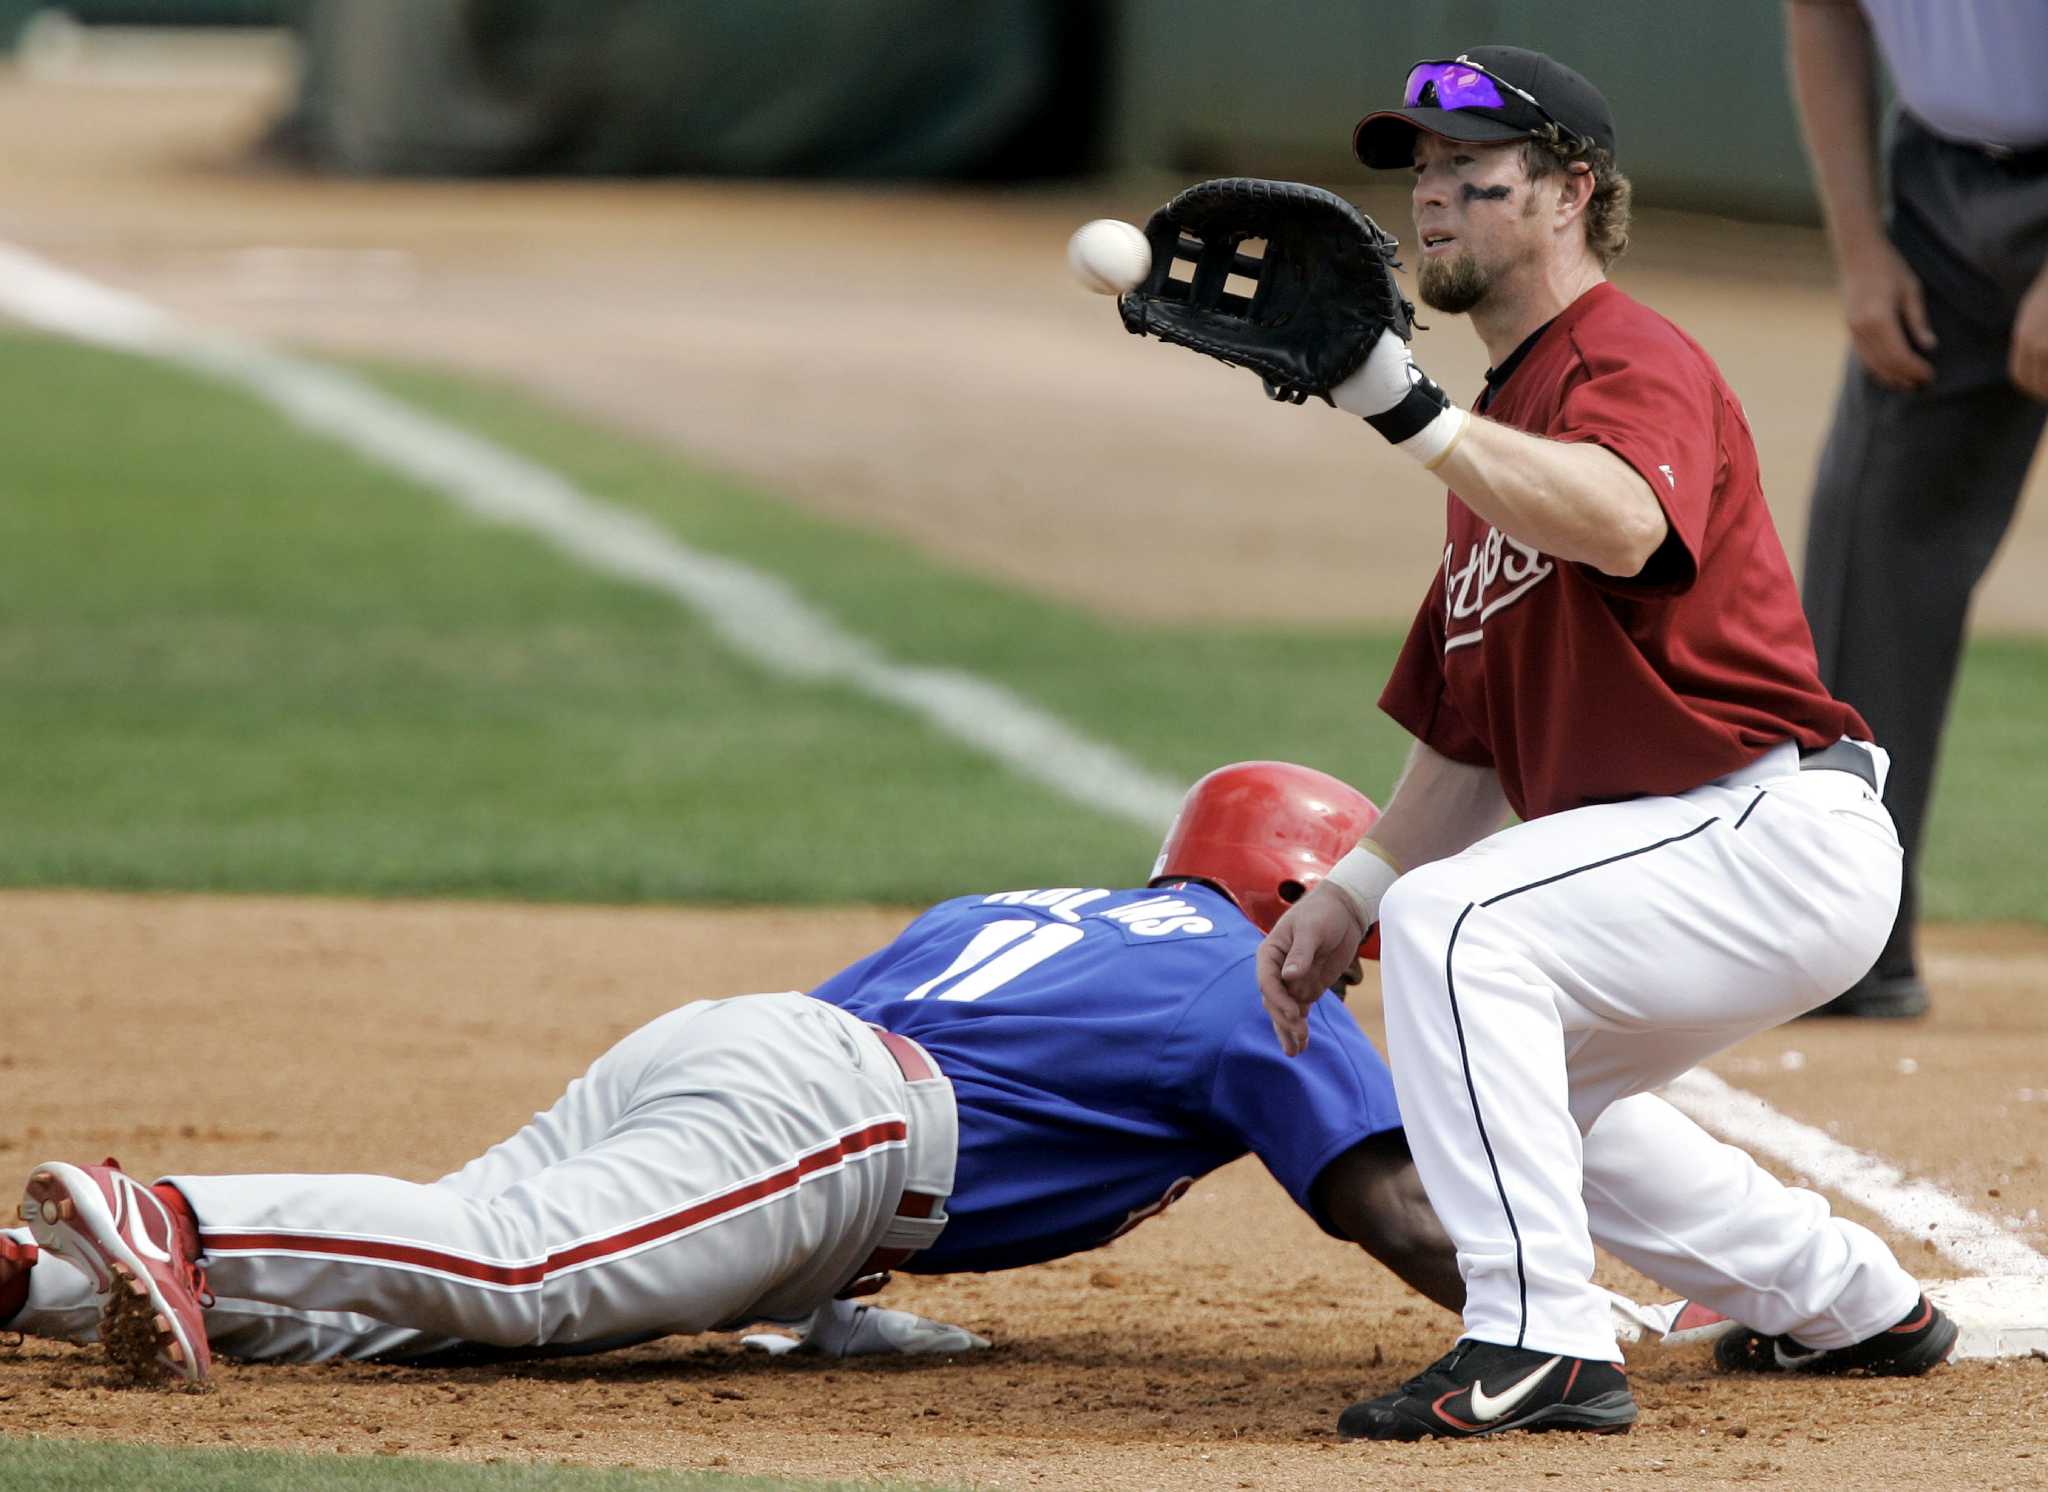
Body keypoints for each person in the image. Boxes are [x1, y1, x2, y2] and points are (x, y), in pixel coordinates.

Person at [1246, 48, 1956, 1441]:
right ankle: (1852, 1303)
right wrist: (1349, 895)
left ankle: (1540, 1342)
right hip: (1686, 855)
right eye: (1420, 171)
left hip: (1771, 829)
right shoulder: (1496, 437)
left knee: (1466, 928)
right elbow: (1469, 744)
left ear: (1571, 190)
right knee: (1517, 1087)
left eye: (1469, 169)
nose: (1430, 198)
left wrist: (1408, 411)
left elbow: (1626, 519)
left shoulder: (1626, 358)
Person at [4, 762, 1461, 1384]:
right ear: (1296, 892)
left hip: (748, 1060)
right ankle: (171, 1221)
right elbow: (1396, 1213)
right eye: (1352, 936)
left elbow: (847, 1088)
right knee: (517, 1275)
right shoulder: (1251, 979)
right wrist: (1544, 1323)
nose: (1350, 972)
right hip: (839, 1123)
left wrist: (800, 1297)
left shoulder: (1036, 916)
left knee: (449, 1300)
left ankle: (38, 1286)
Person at [1787, 0, 2048, 1019]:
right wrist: (1858, 249)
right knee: (1871, 556)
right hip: (1936, 188)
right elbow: (1821, 13)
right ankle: (1848, 944)